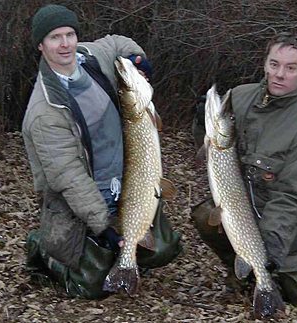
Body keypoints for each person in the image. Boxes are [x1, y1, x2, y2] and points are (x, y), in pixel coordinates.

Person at [22, 4, 182, 299]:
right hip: (78, 205)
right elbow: (70, 179)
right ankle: (44, 249)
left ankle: (115, 248)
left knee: (165, 249)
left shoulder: (92, 56)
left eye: (70, 34)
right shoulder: (44, 112)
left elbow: (118, 42)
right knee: (93, 285)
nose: (66, 43)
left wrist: (138, 59)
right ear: (41, 45)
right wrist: (105, 226)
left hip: (124, 187)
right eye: (55, 37)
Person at [191, 32, 297, 306]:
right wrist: (202, 125)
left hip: (286, 227)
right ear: (265, 64)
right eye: (274, 64)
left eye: (290, 68)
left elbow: (292, 197)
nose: (280, 74)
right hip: (240, 211)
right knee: (206, 215)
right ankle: (243, 273)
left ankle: (264, 272)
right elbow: (214, 150)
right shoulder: (239, 98)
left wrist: (268, 248)